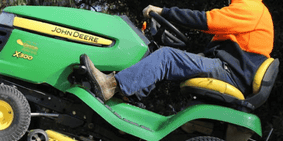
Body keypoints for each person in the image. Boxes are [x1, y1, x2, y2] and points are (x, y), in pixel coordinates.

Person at [82, 0, 274, 102]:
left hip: (231, 72)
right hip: (232, 70)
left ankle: (111, 85)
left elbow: (206, 21)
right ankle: (130, 96)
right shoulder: (252, 9)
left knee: (167, 57)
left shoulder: (250, 8)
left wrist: (164, 12)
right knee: (168, 56)